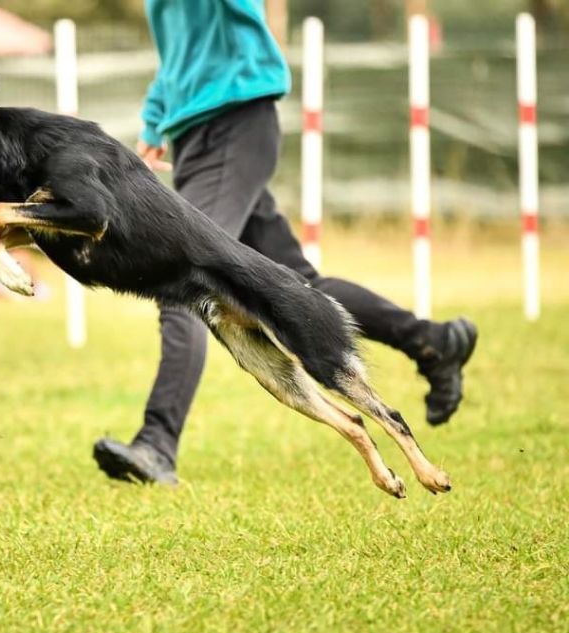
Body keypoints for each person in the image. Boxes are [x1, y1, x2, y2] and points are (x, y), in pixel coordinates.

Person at [92, 0, 477, 485]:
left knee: (185, 280)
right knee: (299, 285)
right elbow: (177, 55)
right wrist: (153, 124)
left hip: (234, 121)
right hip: (195, 134)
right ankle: (435, 343)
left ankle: (157, 445)